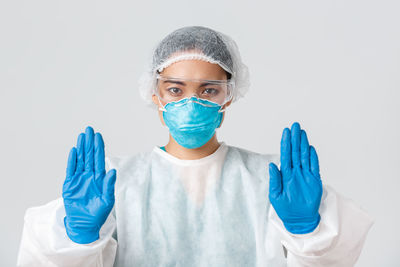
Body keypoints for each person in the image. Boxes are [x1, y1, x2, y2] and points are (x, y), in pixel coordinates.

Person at [17, 25, 374, 267]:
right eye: (176, 89)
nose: (191, 103)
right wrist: (78, 238)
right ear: (155, 94)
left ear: (229, 97)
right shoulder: (111, 184)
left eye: (208, 90)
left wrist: (307, 232)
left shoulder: (273, 183)